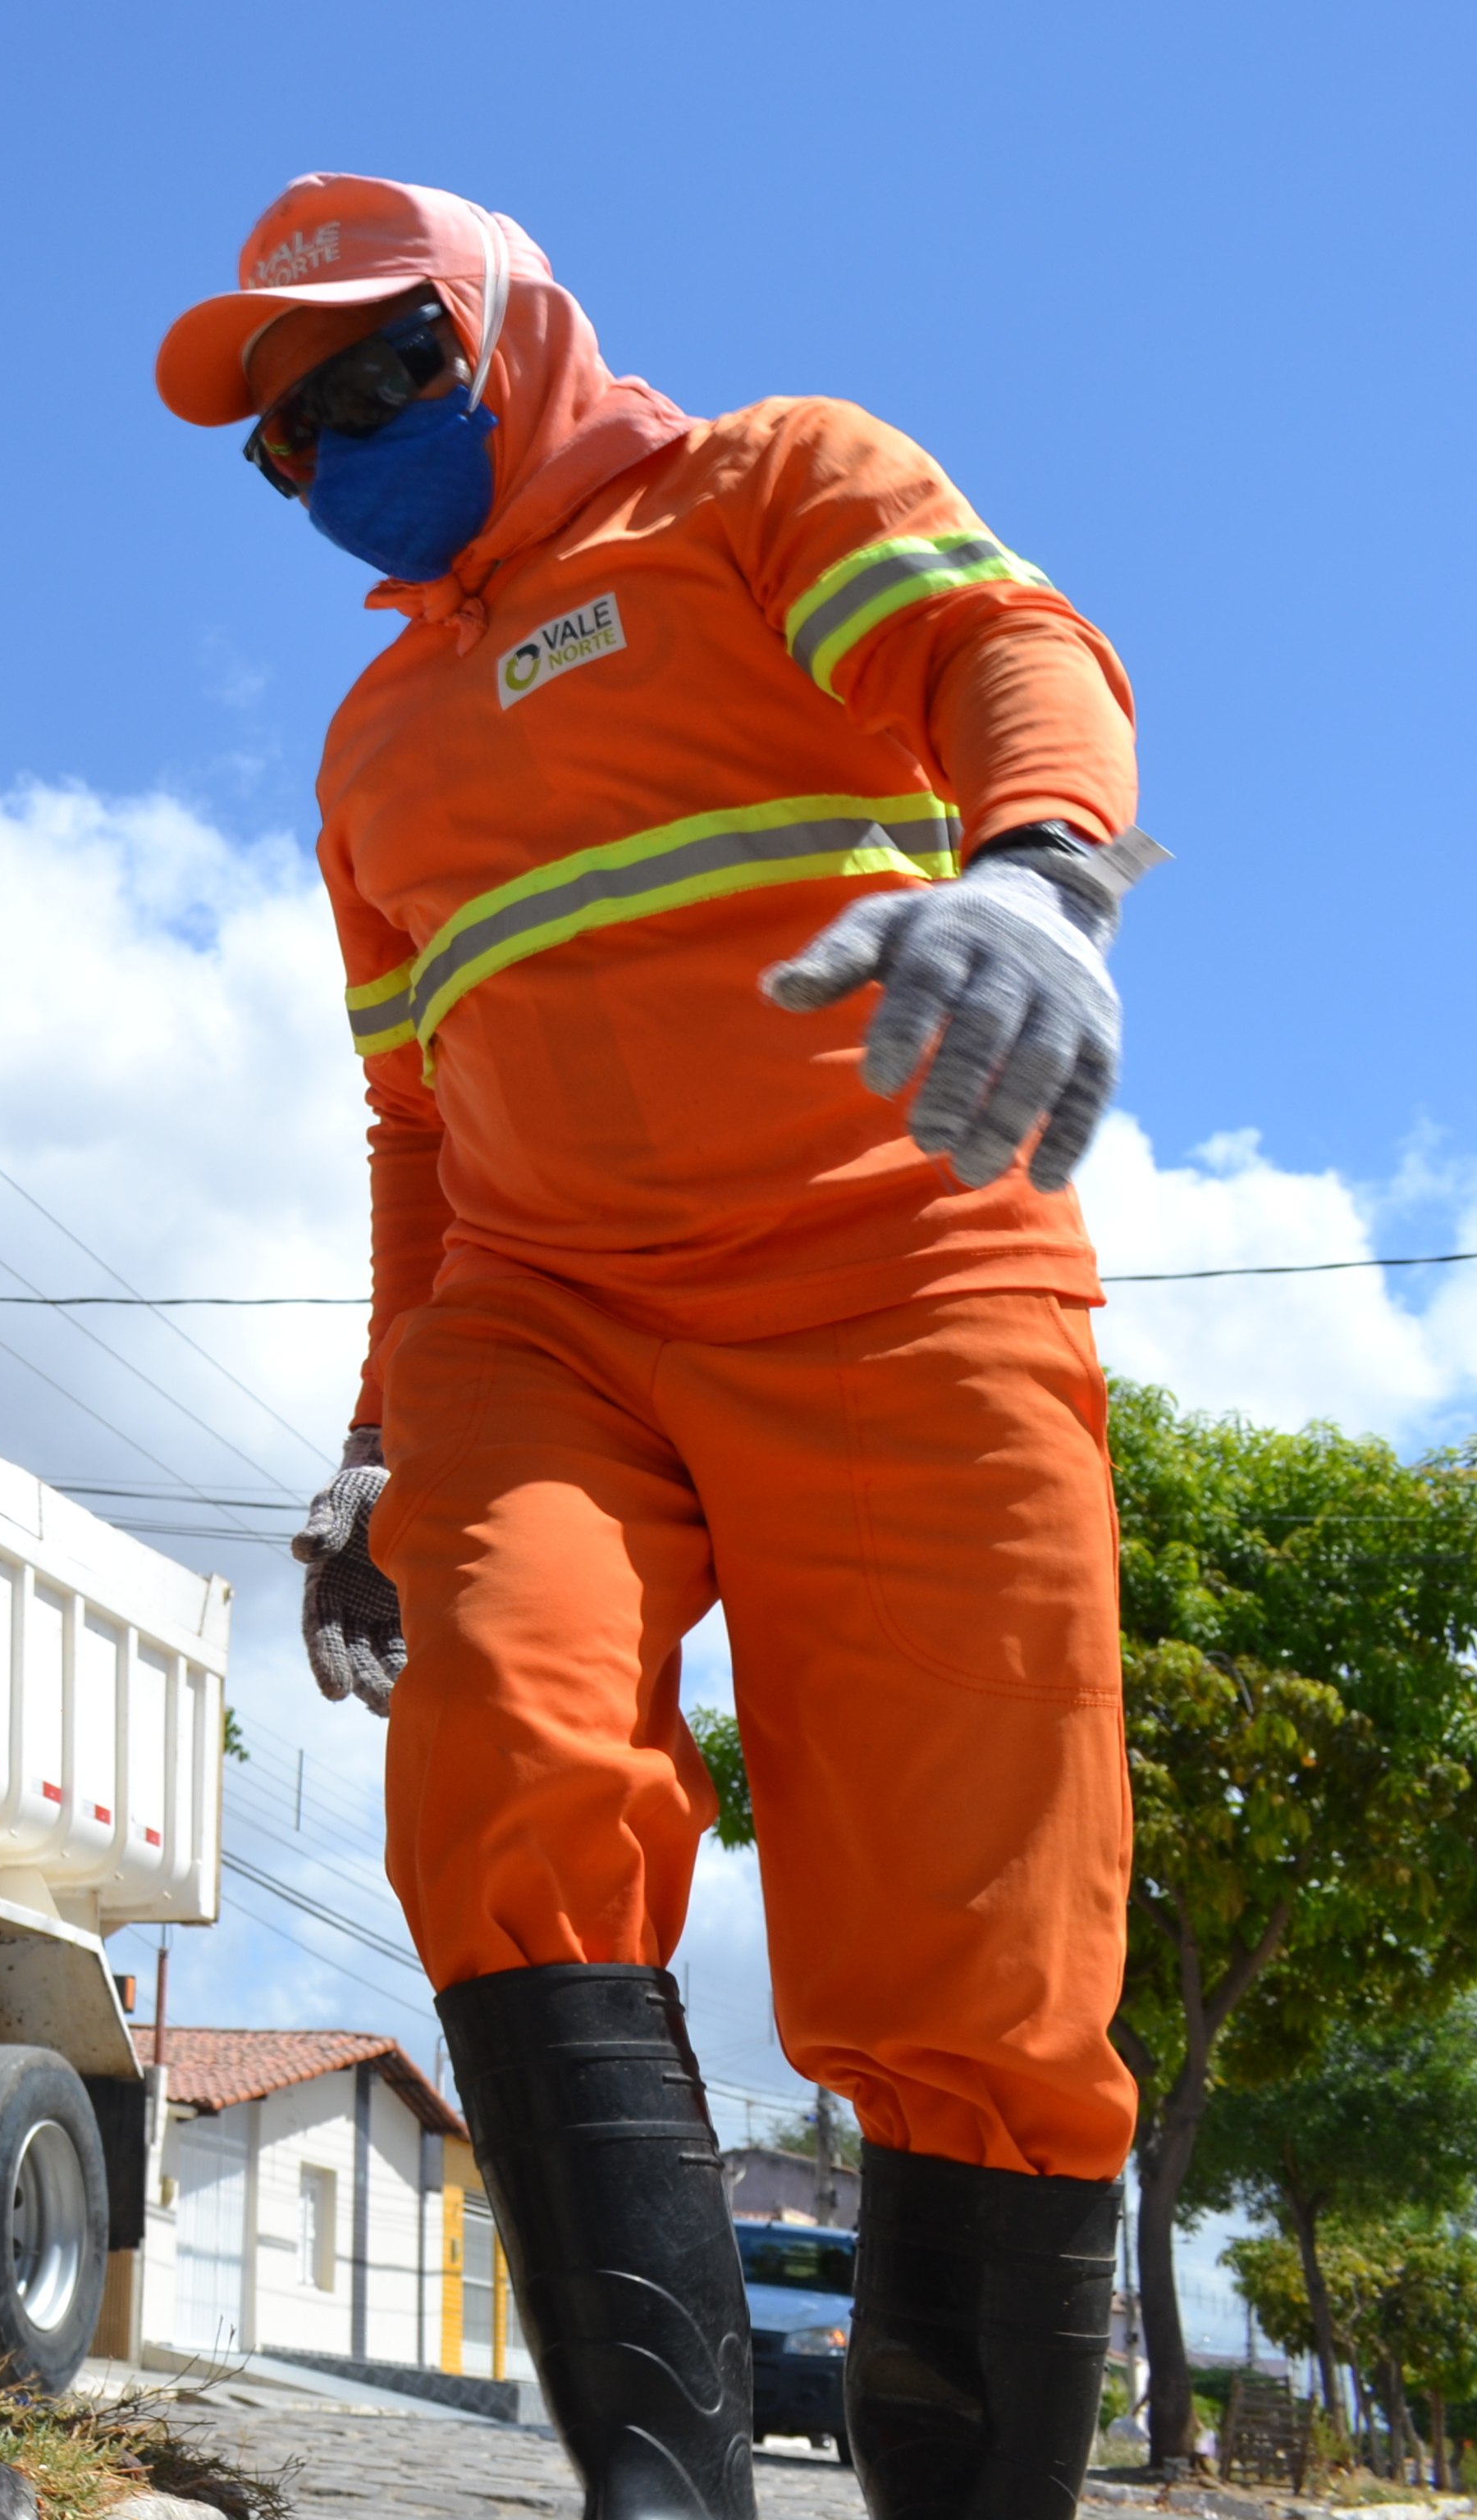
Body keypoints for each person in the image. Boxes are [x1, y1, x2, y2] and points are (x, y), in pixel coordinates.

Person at [156, 176, 1148, 2519]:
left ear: (512, 334)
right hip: (545, 1316)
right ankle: (661, 2490)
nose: (338, 450)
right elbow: (413, 1119)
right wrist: (379, 1444)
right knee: (498, 1739)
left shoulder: (769, 484)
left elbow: (1021, 647)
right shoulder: (373, 739)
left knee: (976, 1929)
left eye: (379, 377)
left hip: (906, 1270)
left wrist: (1037, 872)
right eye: (286, 442)